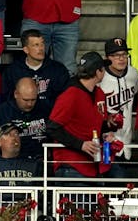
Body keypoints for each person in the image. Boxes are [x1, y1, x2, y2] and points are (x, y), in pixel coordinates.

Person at [46, 51, 116, 180]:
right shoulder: (71, 94)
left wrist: (106, 133)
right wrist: (80, 144)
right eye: (103, 68)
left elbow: (96, 125)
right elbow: (52, 128)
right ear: (98, 72)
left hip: (93, 165)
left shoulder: (99, 93)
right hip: (71, 165)